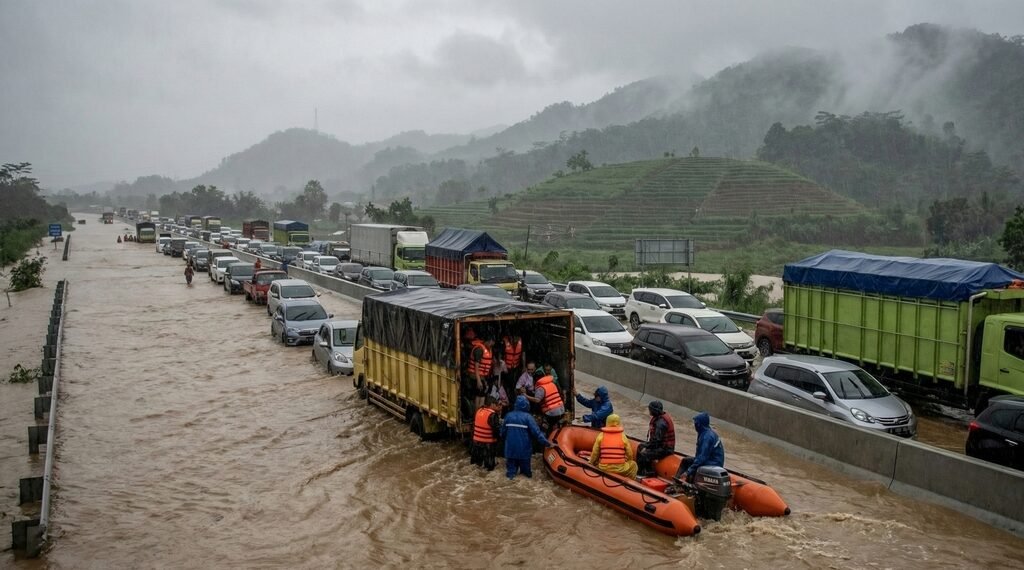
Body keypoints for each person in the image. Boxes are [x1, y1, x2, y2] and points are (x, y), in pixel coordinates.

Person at [500, 395, 552, 479]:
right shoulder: (528, 418)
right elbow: (537, 434)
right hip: (524, 452)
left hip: (510, 450)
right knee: (526, 475)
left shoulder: (508, 416)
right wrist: (548, 443)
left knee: (510, 475)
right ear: (526, 405)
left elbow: (502, 433)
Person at [675, 412, 725, 483]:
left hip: (713, 463)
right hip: (712, 461)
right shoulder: (705, 432)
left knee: (694, 466)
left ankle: (679, 483)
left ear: (699, 424)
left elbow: (701, 458)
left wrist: (688, 472)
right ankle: (678, 481)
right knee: (686, 461)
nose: (694, 425)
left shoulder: (706, 438)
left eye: (696, 423)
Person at [589, 414, 638, 479]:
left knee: (597, 463)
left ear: (607, 422)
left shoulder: (601, 436)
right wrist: (628, 461)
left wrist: (591, 463)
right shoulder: (623, 436)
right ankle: (630, 483)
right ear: (618, 423)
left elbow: (595, 453)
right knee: (633, 465)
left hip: (604, 468)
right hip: (620, 469)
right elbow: (629, 453)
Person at [637, 401, 675, 477]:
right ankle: (647, 470)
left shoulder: (661, 423)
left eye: (650, 409)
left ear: (654, 410)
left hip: (665, 449)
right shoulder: (659, 418)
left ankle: (642, 473)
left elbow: (656, 441)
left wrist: (647, 446)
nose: (649, 411)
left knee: (644, 454)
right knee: (641, 446)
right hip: (661, 446)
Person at [470, 397, 502, 471]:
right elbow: (496, 431)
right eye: (496, 405)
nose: (497, 406)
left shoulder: (479, 411)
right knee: (489, 468)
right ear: (492, 404)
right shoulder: (493, 414)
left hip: (476, 444)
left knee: (476, 466)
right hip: (487, 445)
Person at [468, 337, 495, 412]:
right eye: (491, 344)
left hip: (482, 376)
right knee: (479, 395)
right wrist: (478, 381)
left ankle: (480, 413)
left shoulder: (487, 349)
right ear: (489, 341)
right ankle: (478, 414)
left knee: (482, 394)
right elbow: (476, 366)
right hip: (475, 376)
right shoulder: (479, 349)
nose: (491, 346)